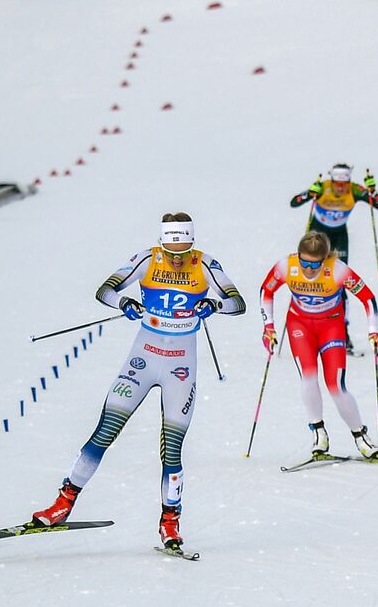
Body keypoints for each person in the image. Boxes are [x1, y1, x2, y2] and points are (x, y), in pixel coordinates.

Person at [30, 213, 245, 552]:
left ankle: (170, 524)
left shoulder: (206, 264)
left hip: (180, 370)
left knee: (172, 450)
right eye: (171, 251)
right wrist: (126, 302)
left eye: (183, 251)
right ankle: (62, 505)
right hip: (142, 361)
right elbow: (105, 290)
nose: (177, 259)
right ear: (162, 244)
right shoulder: (147, 259)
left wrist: (213, 304)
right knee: (104, 432)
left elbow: (237, 303)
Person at [260, 232, 378, 459]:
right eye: (304, 262)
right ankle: (318, 432)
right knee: (308, 377)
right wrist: (268, 326)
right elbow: (267, 290)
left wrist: (373, 331)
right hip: (300, 327)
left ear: (325, 259)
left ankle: (360, 436)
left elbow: (367, 297)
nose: (308, 269)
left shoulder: (337, 270)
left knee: (335, 385)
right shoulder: (286, 266)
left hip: (330, 327)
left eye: (315, 264)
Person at [289, 163, 378, 350]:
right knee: (310, 276)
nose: (341, 188)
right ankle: (307, 326)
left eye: (345, 184)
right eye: (337, 183)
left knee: (339, 282)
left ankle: (342, 332)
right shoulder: (323, 187)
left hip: (339, 236)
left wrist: (372, 192)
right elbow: (294, 202)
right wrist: (310, 193)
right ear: (331, 181)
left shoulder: (356, 190)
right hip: (318, 234)